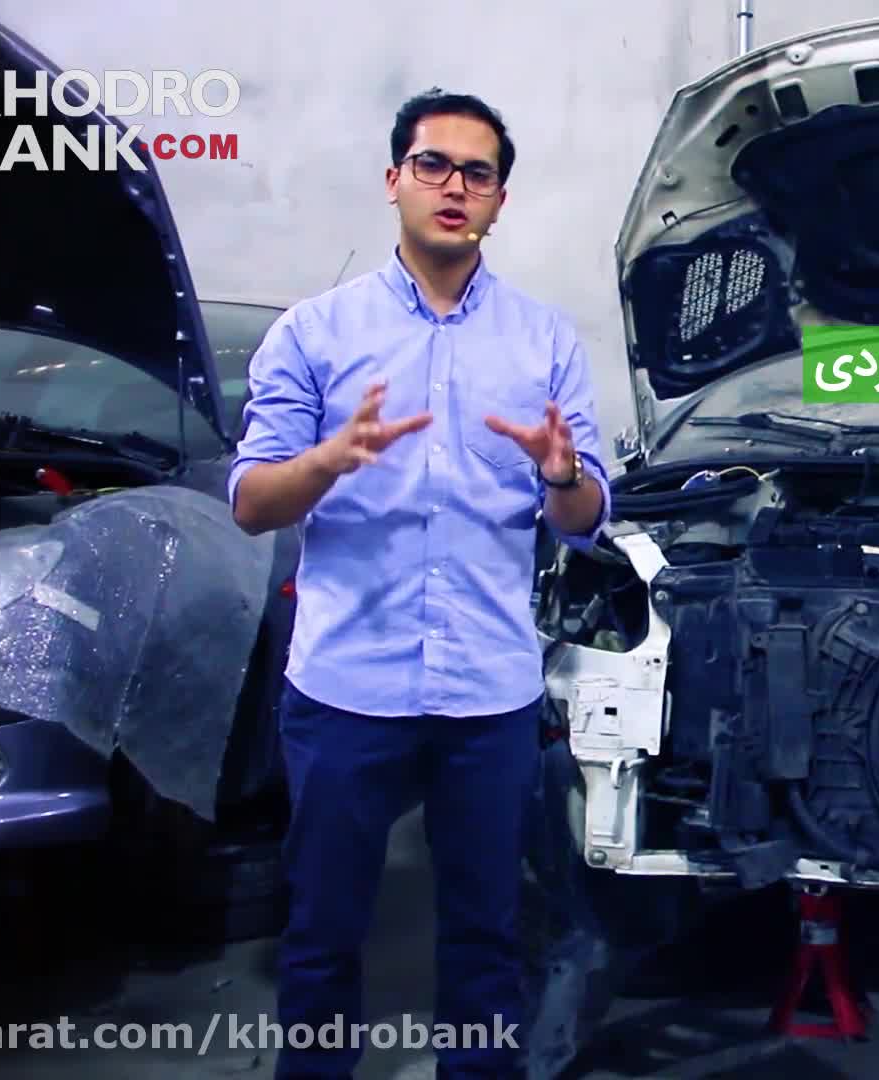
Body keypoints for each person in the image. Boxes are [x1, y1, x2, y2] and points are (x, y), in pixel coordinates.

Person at [227, 87, 611, 1079]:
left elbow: (585, 518)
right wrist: (329, 460)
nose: (454, 186)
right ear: (395, 179)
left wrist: (562, 474)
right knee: (322, 933)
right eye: (433, 164)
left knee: (487, 937)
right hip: (346, 688)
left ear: (499, 201)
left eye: (477, 174)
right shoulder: (316, 332)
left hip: (488, 694)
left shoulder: (544, 341)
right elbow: (253, 503)